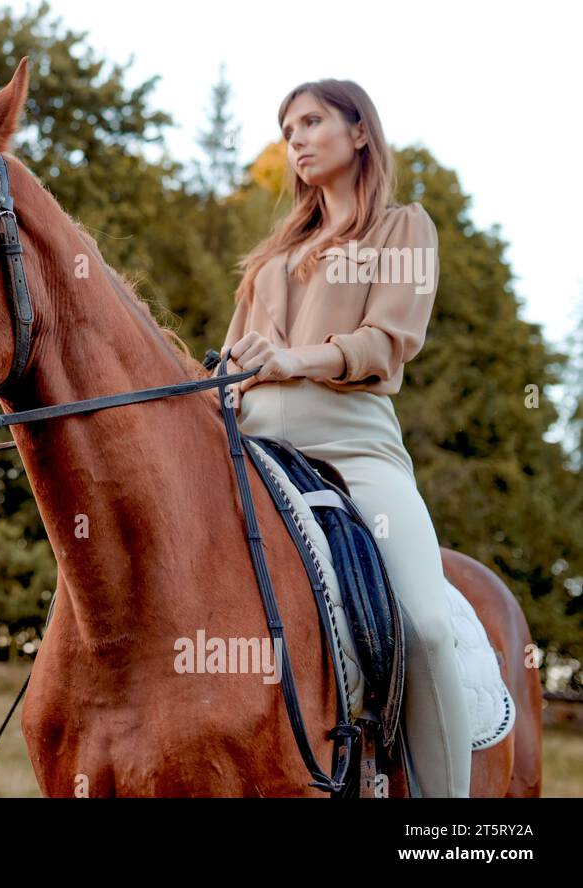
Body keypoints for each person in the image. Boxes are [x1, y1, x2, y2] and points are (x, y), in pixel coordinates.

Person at [222, 79, 469, 797]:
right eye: (285, 127)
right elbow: (232, 358)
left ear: (359, 131)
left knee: (424, 627)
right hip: (253, 443)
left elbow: (389, 341)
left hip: (353, 445)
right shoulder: (268, 259)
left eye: (310, 121)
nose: (294, 138)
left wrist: (296, 358)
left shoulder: (403, 229)